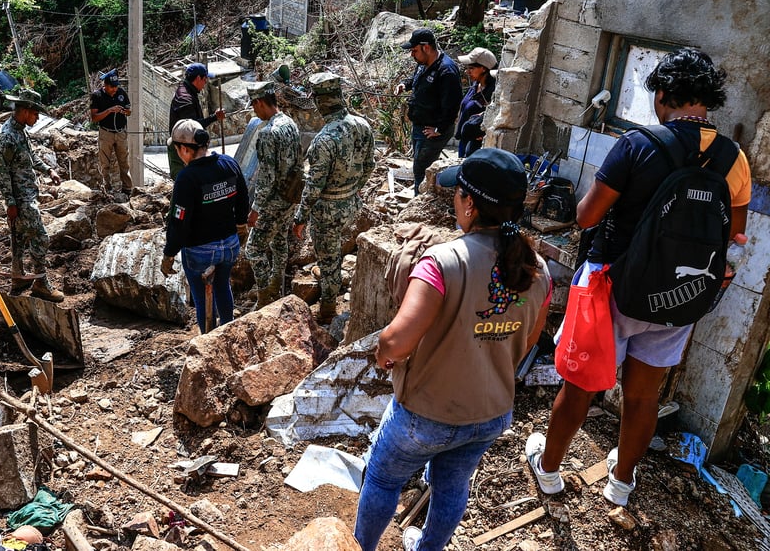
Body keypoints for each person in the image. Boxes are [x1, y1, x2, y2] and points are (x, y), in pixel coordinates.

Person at [526, 48, 751, 507]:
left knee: (582, 386)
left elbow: (587, 217)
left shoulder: (638, 145)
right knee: (645, 396)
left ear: (663, 95)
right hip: (680, 296)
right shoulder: (734, 159)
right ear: (706, 101)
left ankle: (548, 470)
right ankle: (621, 483)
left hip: (611, 288)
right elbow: (738, 231)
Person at [354, 148, 551, 551]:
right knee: (452, 484)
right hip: (491, 412)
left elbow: (396, 341)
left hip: (426, 415)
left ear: (470, 203)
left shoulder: (443, 262)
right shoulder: (537, 268)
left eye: (459, 193)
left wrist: (384, 356)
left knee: (382, 478)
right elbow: (529, 338)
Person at [292, 72, 375, 327]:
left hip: (327, 209)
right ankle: (333, 275)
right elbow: (370, 165)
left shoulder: (324, 141)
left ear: (319, 102)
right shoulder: (363, 125)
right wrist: (354, 189)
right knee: (334, 247)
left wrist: (300, 218)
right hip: (351, 203)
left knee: (327, 257)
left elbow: (314, 188)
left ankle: (328, 309)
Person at [161, 119, 250, 333]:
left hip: (200, 251)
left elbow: (179, 222)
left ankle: (207, 341)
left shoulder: (186, 178)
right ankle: (227, 333)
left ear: (184, 149)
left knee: (201, 298)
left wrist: (169, 254)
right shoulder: (228, 163)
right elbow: (243, 199)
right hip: (229, 245)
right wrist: (240, 227)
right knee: (222, 286)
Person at [0, 88, 65, 303]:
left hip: (26, 195)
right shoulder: (6, 137)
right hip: (20, 199)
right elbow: (1, 172)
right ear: (24, 111)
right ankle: (41, 283)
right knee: (40, 237)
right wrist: (11, 202)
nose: (37, 118)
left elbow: (29, 157)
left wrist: (48, 170)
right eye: (35, 113)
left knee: (21, 238)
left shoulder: (20, 131)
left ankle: (19, 278)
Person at [244, 81, 301, 307]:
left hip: (273, 201)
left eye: (254, 106)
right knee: (279, 241)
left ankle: (264, 297)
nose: (254, 112)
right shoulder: (290, 123)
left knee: (254, 250)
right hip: (291, 196)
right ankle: (277, 283)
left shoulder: (269, 133)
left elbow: (266, 177)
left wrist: (256, 209)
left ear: (259, 102)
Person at [393, 28, 462, 194]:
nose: (412, 55)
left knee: (422, 168)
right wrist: (405, 84)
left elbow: (452, 105)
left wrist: (439, 129)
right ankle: (422, 196)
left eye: (414, 50)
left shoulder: (446, 71)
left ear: (426, 47)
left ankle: (420, 201)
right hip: (420, 126)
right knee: (419, 166)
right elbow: (417, 79)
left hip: (433, 130)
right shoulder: (423, 64)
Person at [167, 62, 225, 181]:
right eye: (205, 79)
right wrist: (214, 117)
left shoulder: (188, 92)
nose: (205, 83)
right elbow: (192, 129)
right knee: (184, 182)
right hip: (182, 147)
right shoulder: (185, 98)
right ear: (198, 78)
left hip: (186, 144)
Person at [89, 69, 133, 199]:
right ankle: (107, 188)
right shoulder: (97, 96)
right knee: (105, 163)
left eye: (116, 86)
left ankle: (127, 188)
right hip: (106, 133)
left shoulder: (121, 93)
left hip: (120, 132)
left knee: (124, 162)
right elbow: (94, 117)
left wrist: (124, 111)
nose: (114, 89)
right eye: (112, 87)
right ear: (105, 86)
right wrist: (109, 110)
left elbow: (129, 111)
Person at [455, 47, 498, 157]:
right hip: (464, 141)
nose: (467, 71)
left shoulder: (493, 92)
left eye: (472, 68)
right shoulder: (476, 85)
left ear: (484, 69)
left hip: (476, 146)